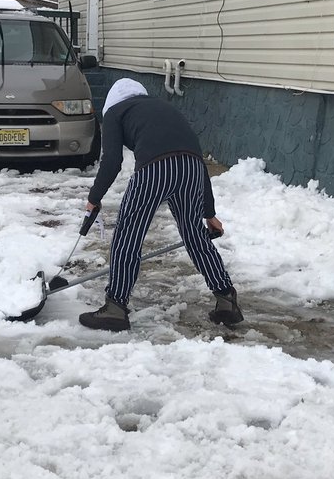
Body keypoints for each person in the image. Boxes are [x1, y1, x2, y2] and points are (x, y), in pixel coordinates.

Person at [79, 78, 242, 332]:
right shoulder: (163, 109)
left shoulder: (114, 111)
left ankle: (115, 308)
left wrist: (93, 198)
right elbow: (197, 159)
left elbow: (111, 161)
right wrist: (209, 215)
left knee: (128, 234)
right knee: (194, 235)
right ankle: (225, 299)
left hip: (155, 168)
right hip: (191, 169)